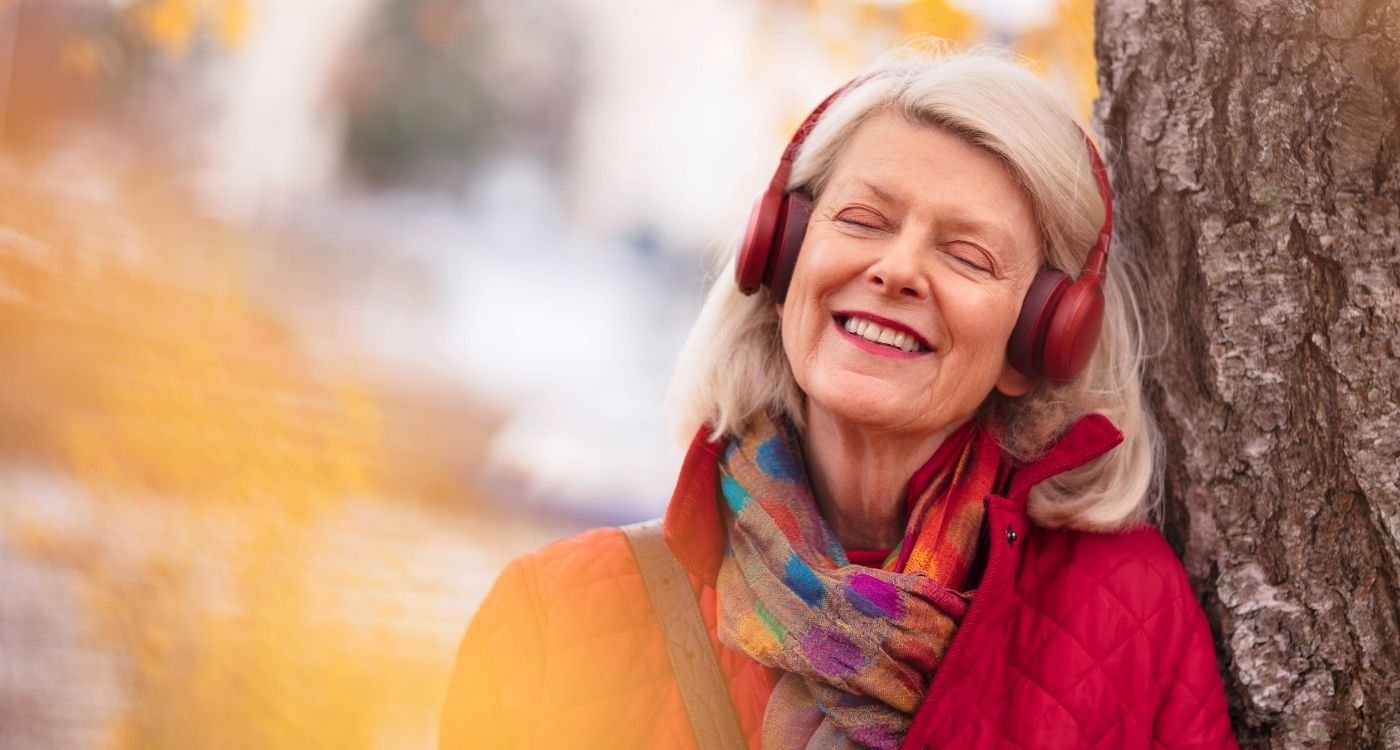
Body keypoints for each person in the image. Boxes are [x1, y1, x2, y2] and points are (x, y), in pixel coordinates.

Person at [440, 47, 1237, 750]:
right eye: (862, 219)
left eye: (966, 254)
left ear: (1039, 340)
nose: (896, 269)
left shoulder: (1130, 615)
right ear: (782, 257)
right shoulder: (553, 614)